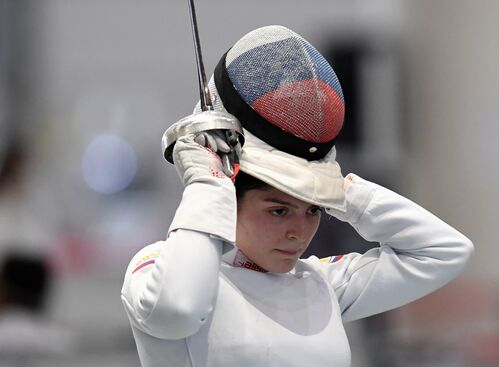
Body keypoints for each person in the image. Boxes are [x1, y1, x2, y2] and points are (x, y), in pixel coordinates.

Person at [121, 25, 474, 367]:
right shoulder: (159, 266)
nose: (300, 232)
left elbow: (445, 251)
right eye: (278, 211)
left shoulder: (320, 283)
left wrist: (339, 189)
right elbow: (178, 309)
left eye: (313, 210)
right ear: (229, 198)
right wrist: (209, 181)